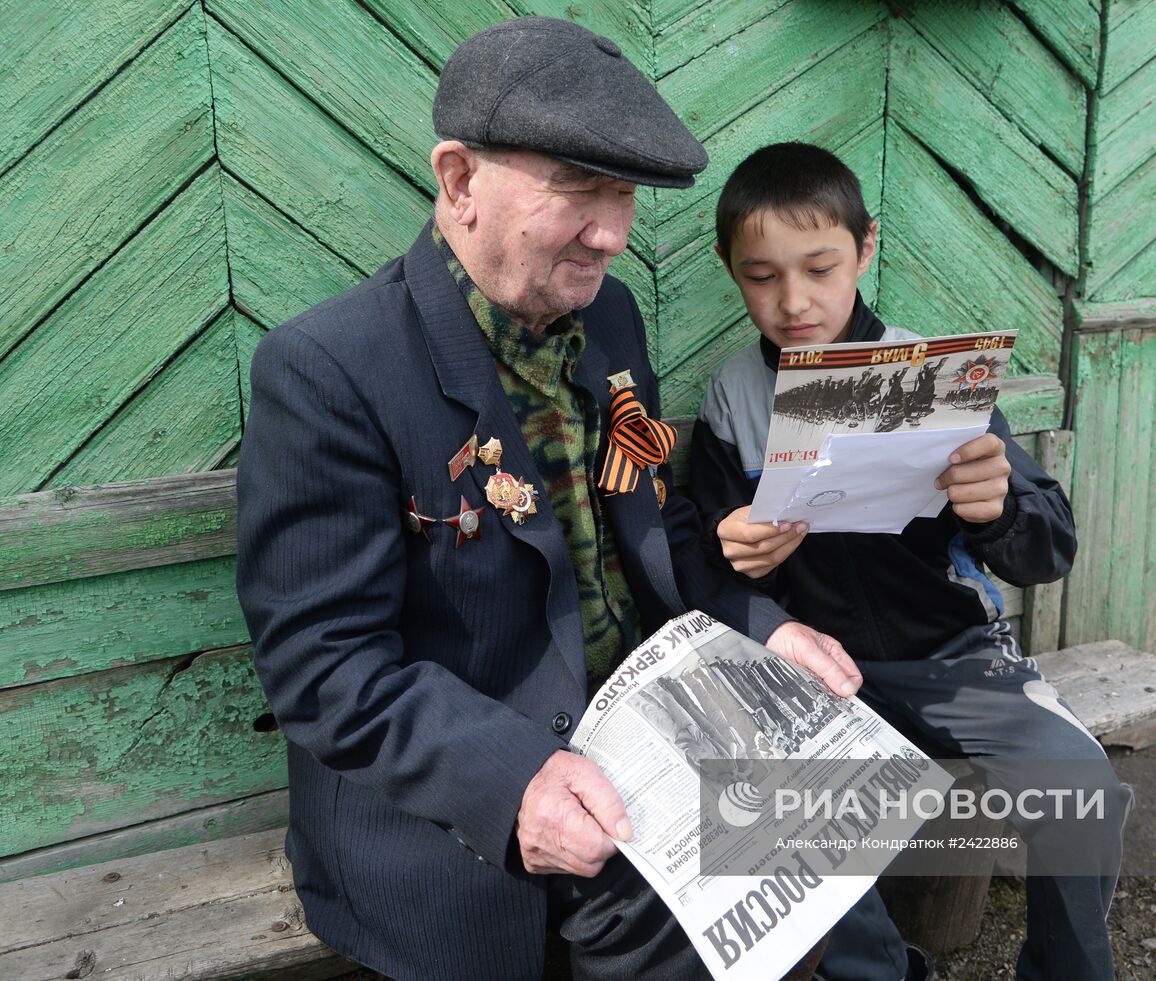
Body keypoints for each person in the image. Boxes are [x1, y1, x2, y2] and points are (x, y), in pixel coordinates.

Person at [235, 24, 861, 981]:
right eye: (579, 188)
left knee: (837, 836)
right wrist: (515, 776)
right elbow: (324, 665)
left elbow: (662, 524)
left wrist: (759, 625)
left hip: (655, 731)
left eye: (625, 195)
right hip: (472, 795)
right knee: (692, 926)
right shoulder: (329, 371)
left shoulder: (608, 313)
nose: (612, 232)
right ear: (458, 180)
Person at [689, 142, 1133, 981]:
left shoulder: (938, 381)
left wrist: (998, 506)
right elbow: (705, 556)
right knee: (784, 824)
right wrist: (734, 543)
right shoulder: (733, 399)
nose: (793, 301)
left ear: (866, 246)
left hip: (953, 659)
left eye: (820, 267)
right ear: (729, 271)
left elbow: (1051, 543)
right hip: (814, 678)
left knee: (1083, 789)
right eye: (761, 275)